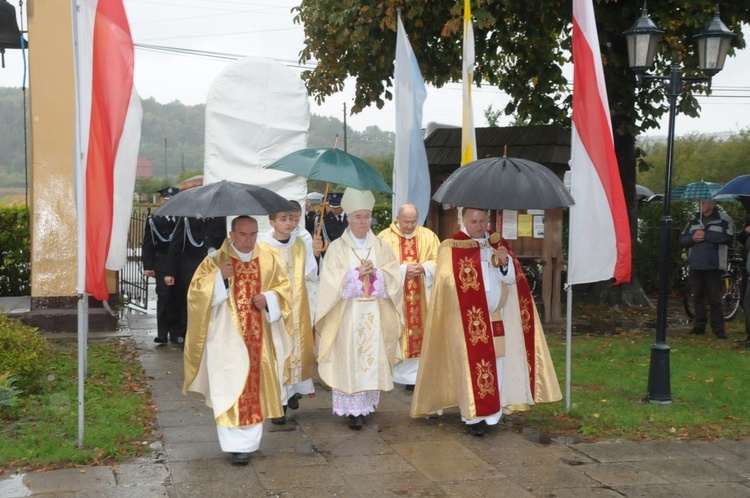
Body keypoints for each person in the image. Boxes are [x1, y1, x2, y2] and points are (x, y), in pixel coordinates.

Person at [410, 207, 561, 436]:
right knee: (470, 368)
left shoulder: (497, 242)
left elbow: (513, 279)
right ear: (462, 220)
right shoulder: (451, 246)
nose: (479, 225)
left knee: (496, 364)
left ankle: (492, 414)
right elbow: (445, 285)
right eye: (473, 221)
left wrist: (503, 262)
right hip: (465, 321)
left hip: (495, 317)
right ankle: (473, 417)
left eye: (482, 220)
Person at [183, 215, 292, 466]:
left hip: (259, 338)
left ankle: (249, 445)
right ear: (232, 235)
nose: (249, 240)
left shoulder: (268, 258)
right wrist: (218, 279)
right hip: (225, 338)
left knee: (253, 386)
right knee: (229, 387)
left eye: (253, 234)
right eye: (243, 234)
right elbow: (196, 295)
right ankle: (233, 446)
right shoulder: (214, 261)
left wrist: (269, 299)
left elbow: (284, 288)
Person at [315, 188, 403, 430]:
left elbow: (394, 276)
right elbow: (330, 282)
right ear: (348, 218)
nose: (363, 222)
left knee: (371, 359)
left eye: (366, 216)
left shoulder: (382, 247)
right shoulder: (336, 248)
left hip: (376, 312)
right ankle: (353, 411)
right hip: (347, 315)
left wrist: (378, 275)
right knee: (350, 360)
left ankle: (366, 405)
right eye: (358, 217)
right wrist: (355, 275)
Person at [259, 202, 319, 424]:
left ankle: (293, 391)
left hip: (298, 307)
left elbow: (312, 273)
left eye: (292, 219)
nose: (289, 223)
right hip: (275, 313)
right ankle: (280, 403)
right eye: (283, 219)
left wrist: (317, 253)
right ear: (272, 222)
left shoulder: (300, 246)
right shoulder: (263, 249)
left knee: (299, 350)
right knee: (279, 354)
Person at [377, 204, 440, 390]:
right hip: (397, 299)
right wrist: (403, 270)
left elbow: (440, 260)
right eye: (406, 222)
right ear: (397, 219)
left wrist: (424, 267)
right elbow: (380, 267)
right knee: (398, 333)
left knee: (422, 333)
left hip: (423, 297)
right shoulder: (384, 238)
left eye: (414, 221)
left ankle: (417, 379)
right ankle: (394, 376)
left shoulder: (428, 236)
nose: (411, 226)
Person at [165, 216, 227, 343]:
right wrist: (170, 272)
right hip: (190, 267)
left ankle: (207, 332)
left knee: (211, 300)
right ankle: (186, 333)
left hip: (211, 268)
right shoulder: (187, 219)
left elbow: (224, 244)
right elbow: (175, 245)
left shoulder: (220, 218)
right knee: (189, 301)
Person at [679, 199, 735, 339]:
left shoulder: (724, 220)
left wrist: (706, 235)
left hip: (714, 265)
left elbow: (728, 238)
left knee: (714, 298)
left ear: (713, 204)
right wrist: (693, 238)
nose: (700, 205)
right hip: (695, 264)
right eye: (699, 202)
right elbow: (683, 239)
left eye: (703, 202)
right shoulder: (693, 220)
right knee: (697, 297)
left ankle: (718, 328)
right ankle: (699, 326)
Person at [141, 210, 179, 344]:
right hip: (162, 263)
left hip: (179, 263)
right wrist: (148, 265)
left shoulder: (183, 217)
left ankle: (177, 333)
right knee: (164, 296)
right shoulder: (154, 219)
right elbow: (148, 243)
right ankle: (162, 334)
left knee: (177, 298)